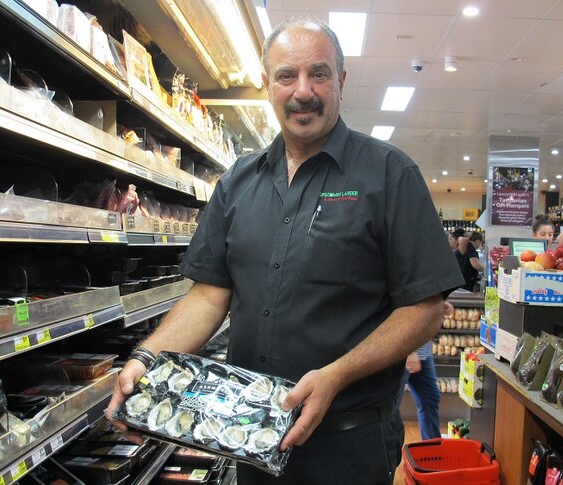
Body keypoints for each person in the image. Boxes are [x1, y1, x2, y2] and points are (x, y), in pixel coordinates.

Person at [107, 18, 463, 485]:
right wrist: (146, 358)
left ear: (341, 80)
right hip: (250, 436)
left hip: (350, 444)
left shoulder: (389, 174)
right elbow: (208, 297)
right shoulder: (238, 181)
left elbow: (424, 310)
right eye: (286, 76)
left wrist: (335, 375)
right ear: (266, 84)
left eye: (318, 74)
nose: (302, 91)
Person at [395, 301, 454, 441]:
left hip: (423, 352)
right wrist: (408, 352)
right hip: (402, 353)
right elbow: (399, 308)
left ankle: (432, 451)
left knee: (430, 399)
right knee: (390, 407)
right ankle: (386, 456)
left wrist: (437, 304)